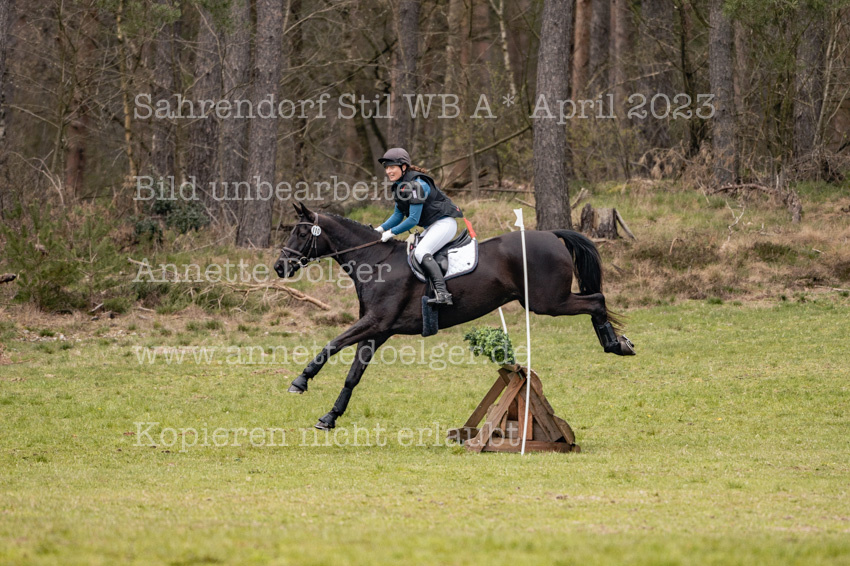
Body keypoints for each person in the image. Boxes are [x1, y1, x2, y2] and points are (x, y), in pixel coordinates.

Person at [375, 148, 463, 306]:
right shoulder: (400, 186)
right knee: (411, 252)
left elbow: (413, 220)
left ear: (403, 167)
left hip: (444, 224)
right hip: (433, 226)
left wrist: (391, 232)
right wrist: (379, 229)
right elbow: (397, 215)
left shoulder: (417, 185)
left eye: (392, 167)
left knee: (421, 252)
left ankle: (443, 293)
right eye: (386, 168)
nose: (388, 171)